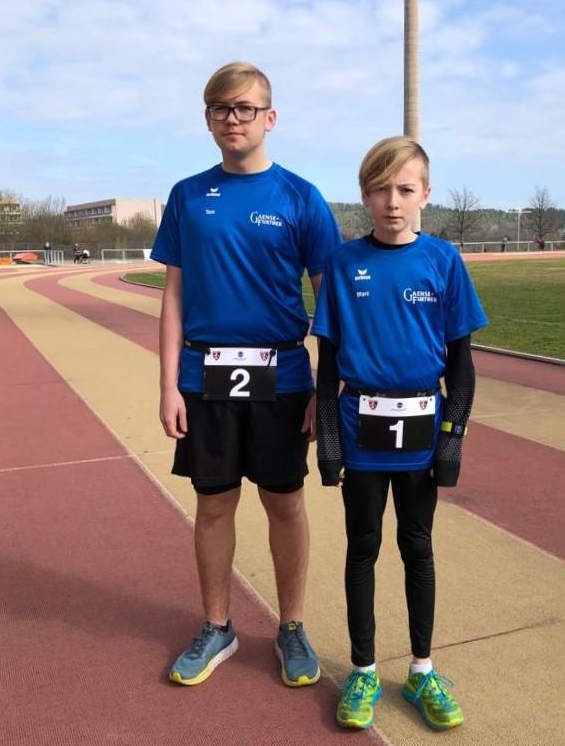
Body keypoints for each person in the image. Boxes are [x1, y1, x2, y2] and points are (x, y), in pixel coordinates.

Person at [150, 62, 341, 688]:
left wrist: (324, 389)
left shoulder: (301, 198)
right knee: (213, 504)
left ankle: (292, 627)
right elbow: (173, 296)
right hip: (204, 375)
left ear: (270, 118)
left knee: (285, 502)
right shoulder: (187, 196)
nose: (233, 118)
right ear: (207, 120)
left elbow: (331, 302)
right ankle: (217, 626)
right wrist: (168, 384)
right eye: (220, 108)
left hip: (282, 376)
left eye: (245, 108)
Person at [313, 137, 488, 731]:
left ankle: (421, 670)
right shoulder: (343, 263)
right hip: (361, 432)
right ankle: (363, 669)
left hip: (421, 435)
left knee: (418, 546)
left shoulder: (444, 260)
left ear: (425, 195)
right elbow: (327, 366)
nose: (393, 201)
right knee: (362, 547)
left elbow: (461, 364)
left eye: (405, 189)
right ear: (365, 196)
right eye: (381, 189)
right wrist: (330, 444)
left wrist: (452, 438)